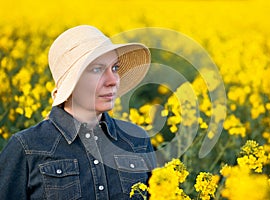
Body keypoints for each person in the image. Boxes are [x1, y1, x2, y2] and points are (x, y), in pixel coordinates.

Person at [0, 25, 156, 199]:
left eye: (115, 68)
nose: (113, 81)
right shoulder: (26, 147)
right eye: (97, 69)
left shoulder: (136, 140)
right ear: (70, 82)